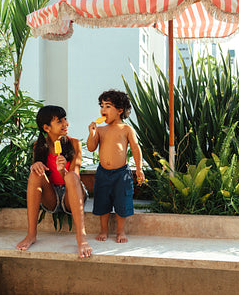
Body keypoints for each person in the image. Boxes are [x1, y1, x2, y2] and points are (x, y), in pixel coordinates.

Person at [16, 105, 93, 258]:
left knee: (70, 176)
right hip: (51, 195)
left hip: (72, 193)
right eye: (60, 121)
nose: (66, 124)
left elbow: (75, 175)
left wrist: (62, 170)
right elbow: (39, 175)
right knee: (34, 173)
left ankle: (81, 238)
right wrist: (36, 164)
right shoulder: (39, 146)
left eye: (65, 119)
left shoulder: (75, 143)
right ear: (46, 127)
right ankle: (31, 234)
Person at [87, 89, 145, 243]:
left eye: (107, 106)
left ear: (119, 110)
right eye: (101, 106)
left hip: (122, 174)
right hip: (103, 173)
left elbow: (135, 148)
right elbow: (91, 147)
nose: (103, 110)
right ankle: (104, 230)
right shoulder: (100, 130)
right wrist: (92, 134)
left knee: (122, 201)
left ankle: (120, 231)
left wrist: (139, 169)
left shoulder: (126, 129)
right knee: (102, 201)